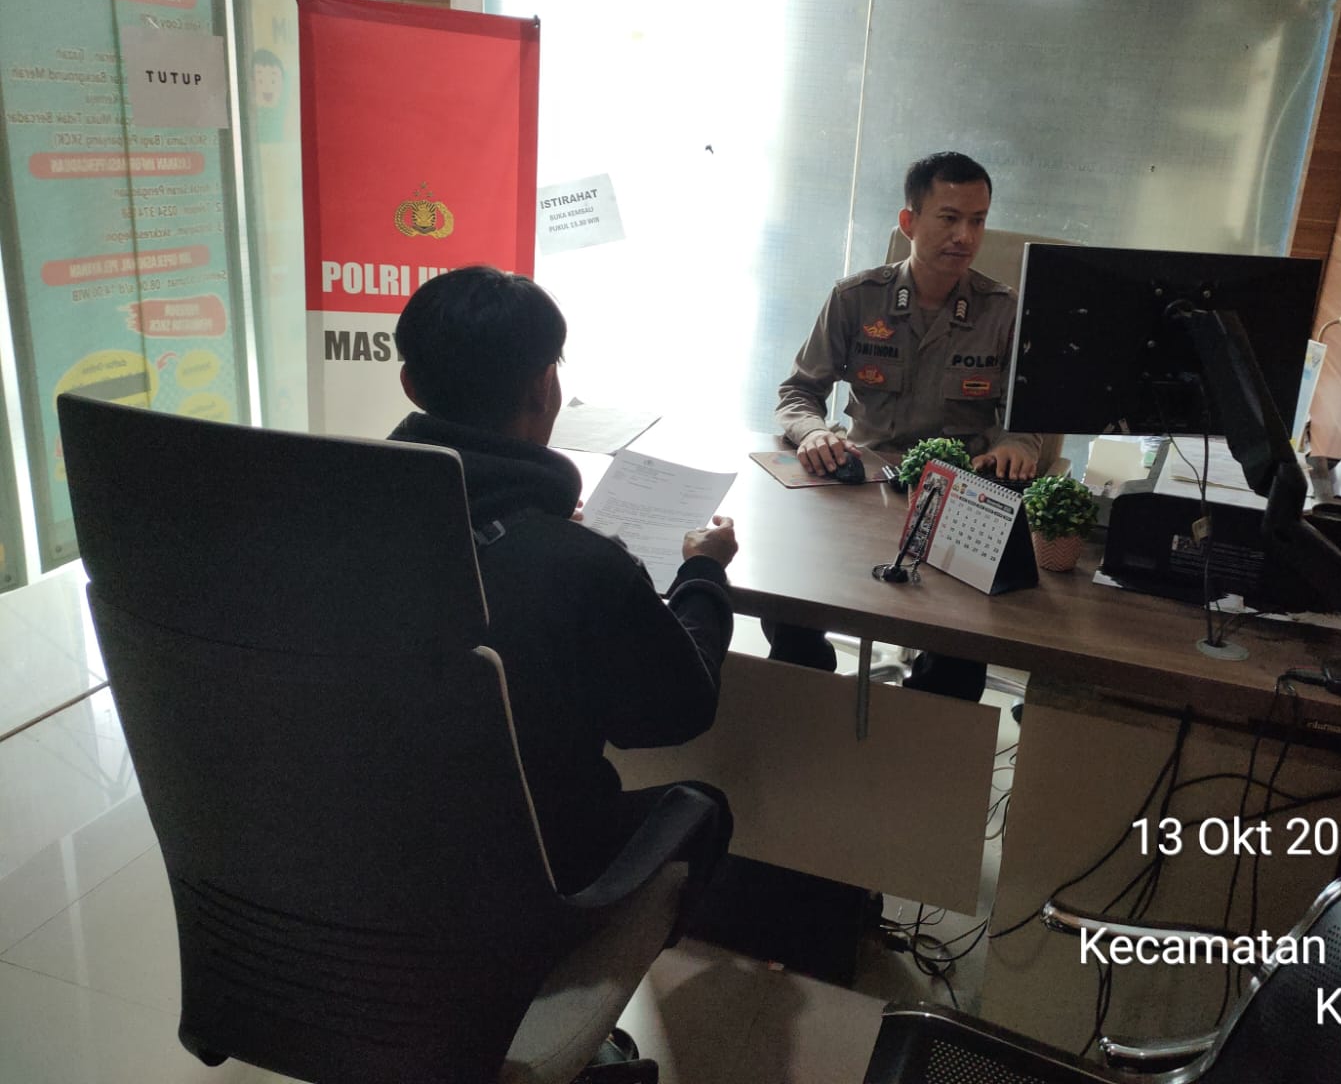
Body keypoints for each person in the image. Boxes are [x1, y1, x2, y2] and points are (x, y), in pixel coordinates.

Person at [389, 264, 736, 894]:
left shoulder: (334, 525)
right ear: (545, 387)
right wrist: (704, 570)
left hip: (365, 859)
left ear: (410, 386)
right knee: (703, 808)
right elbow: (678, 711)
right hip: (530, 889)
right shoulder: (583, 566)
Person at [770, 151, 1042, 700]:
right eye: (950, 218)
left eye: (978, 220)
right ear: (909, 221)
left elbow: (1029, 416)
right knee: (786, 596)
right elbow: (798, 392)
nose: (965, 236)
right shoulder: (856, 299)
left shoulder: (1004, 311)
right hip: (863, 483)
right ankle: (810, 696)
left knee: (963, 645)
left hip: (959, 493)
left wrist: (1016, 443)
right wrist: (814, 432)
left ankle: (921, 726)